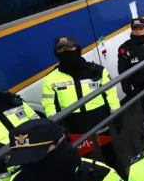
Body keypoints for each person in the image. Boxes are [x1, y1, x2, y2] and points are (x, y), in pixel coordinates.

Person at [42, 36, 121, 172]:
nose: (65, 52)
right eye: (61, 49)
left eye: (69, 48)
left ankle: (120, 180)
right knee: (82, 161)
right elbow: (48, 105)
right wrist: (58, 126)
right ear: (56, 54)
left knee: (110, 155)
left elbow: (111, 93)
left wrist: (117, 116)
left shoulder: (98, 70)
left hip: (100, 121)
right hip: (74, 126)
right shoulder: (50, 79)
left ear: (77, 49)